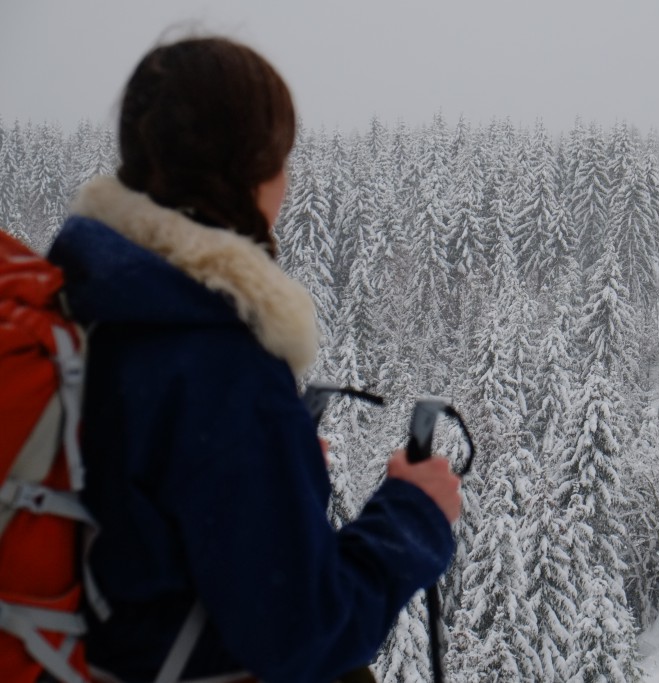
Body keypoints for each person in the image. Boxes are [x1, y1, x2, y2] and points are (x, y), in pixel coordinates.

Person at [47, 36, 461, 682]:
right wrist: (414, 514)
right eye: (280, 158)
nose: (286, 182)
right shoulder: (219, 359)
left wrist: (272, 468)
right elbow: (305, 633)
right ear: (243, 173)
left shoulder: (89, 301)